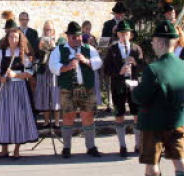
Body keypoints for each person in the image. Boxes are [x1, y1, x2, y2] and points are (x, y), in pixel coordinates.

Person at [132, 20, 184, 176]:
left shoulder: (152, 69)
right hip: (176, 122)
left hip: (153, 124)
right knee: (180, 159)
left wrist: (134, 89)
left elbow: (141, 97)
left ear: (159, 42)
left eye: (152, 40)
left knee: (153, 162)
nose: (150, 44)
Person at [49, 22, 103, 158]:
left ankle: (91, 146)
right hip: (68, 89)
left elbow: (99, 62)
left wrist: (86, 61)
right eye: (73, 37)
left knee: (88, 116)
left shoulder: (88, 48)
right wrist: (67, 67)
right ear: (68, 37)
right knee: (68, 116)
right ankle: (66, 147)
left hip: (86, 88)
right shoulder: (59, 49)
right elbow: (52, 66)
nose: (76, 39)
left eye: (78, 36)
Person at [0, 24, 38, 159]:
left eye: (16, 37)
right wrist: (0, 78)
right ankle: (4, 149)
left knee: (19, 118)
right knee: (4, 118)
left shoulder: (23, 53)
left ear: (20, 39)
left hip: (20, 89)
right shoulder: (1, 53)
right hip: (6, 90)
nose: (13, 39)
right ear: (7, 38)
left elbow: (30, 73)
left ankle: (17, 150)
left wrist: (15, 75)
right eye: (10, 37)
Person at [103, 20, 144, 157]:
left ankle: (138, 144)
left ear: (130, 34)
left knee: (137, 114)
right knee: (119, 114)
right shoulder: (112, 49)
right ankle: (122, 145)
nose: (124, 36)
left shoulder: (136, 48)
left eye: (126, 33)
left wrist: (136, 63)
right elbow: (106, 69)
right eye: (121, 33)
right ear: (117, 35)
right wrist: (118, 72)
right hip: (118, 84)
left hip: (133, 84)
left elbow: (144, 68)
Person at [35, 20, 60, 128]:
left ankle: (57, 122)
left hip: (54, 72)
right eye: (45, 29)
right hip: (43, 71)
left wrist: (54, 47)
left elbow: (61, 57)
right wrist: (40, 48)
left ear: (53, 31)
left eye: (49, 29)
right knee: (45, 95)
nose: (47, 31)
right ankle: (46, 121)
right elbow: (36, 57)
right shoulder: (39, 41)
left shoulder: (59, 42)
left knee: (55, 94)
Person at [82, 20, 102, 108]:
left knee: (95, 83)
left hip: (93, 62)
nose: (88, 30)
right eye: (86, 28)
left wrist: (97, 49)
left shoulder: (92, 37)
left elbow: (95, 47)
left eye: (89, 28)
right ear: (82, 28)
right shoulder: (80, 37)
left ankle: (94, 104)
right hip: (84, 63)